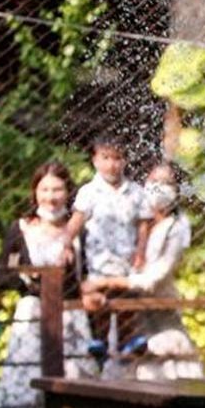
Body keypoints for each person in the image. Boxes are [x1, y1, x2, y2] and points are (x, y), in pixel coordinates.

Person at [82, 161, 203, 408]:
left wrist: (107, 283)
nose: (157, 189)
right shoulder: (139, 221)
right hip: (131, 321)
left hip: (161, 325)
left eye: (165, 183)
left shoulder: (177, 227)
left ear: (178, 190)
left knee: (161, 402)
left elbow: (154, 278)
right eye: (152, 181)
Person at [0, 162, 99, 408]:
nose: (51, 196)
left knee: (76, 382)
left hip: (71, 316)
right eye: (45, 189)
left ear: (68, 192)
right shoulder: (21, 228)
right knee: (20, 380)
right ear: (35, 192)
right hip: (32, 315)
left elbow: (89, 275)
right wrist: (27, 275)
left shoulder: (79, 231)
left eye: (57, 189)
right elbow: (0, 276)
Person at [64, 134, 152, 358]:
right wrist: (65, 244)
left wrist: (141, 253)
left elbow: (143, 225)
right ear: (95, 160)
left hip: (126, 258)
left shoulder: (136, 192)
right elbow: (76, 221)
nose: (111, 164)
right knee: (98, 301)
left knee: (124, 302)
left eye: (117, 158)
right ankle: (99, 340)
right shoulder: (89, 192)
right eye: (105, 158)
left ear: (124, 161)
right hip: (98, 259)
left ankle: (126, 341)